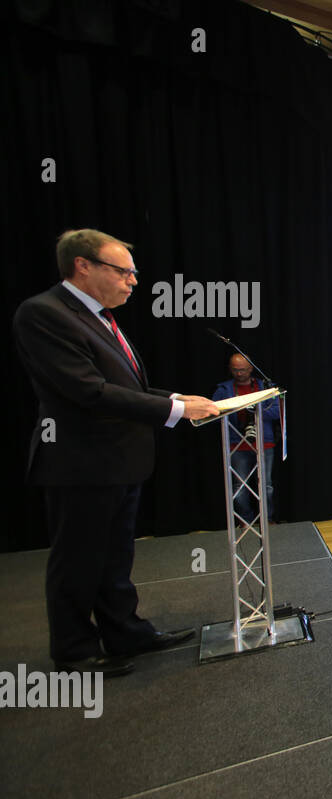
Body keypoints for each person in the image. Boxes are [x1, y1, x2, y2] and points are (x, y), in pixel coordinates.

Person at [12, 228, 219, 676]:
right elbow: (88, 392)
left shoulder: (101, 317)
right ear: (83, 266)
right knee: (78, 560)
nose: (133, 281)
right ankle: (74, 651)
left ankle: (125, 631)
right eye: (123, 271)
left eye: (133, 273)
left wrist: (176, 397)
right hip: (80, 462)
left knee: (114, 556)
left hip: (120, 460)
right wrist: (175, 408)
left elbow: (130, 389)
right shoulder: (44, 314)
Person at [213, 352, 281, 524]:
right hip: (237, 444)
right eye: (235, 370)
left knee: (266, 485)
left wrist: (254, 409)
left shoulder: (266, 387)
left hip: (263, 442)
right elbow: (214, 412)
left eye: (243, 370)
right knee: (240, 487)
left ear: (251, 368)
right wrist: (236, 408)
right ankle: (246, 520)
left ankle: (267, 519)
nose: (239, 373)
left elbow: (276, 411)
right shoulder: (224, 390)